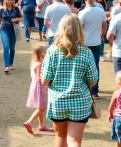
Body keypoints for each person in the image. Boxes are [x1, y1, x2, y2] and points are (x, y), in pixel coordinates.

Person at [41, 14, 98, 147]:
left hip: (58, 101)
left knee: (60, 137)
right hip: (80, 102)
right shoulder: (86, 52)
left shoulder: (52, 52)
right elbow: (93, 81)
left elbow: (44, 81)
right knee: (74, 141)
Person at [78, 0, 107, 98]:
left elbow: (79, 28)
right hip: (96, 42)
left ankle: (86, 89)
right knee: (95, 65)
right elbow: (104, 26)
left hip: (85, 43)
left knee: (83, 66)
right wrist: (101, 36)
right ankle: (94, 90)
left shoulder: (82, 13)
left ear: (85, 0)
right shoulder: (101, 12)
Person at [24, 45, 53, 134]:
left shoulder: (34, 63)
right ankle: (29, 122)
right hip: (39, 87)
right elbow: (39, 78)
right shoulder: (39, 64)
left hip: (34, 86)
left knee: (40, 106)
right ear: (41, 54)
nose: (46, 54)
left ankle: (41, 125)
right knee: (42, 108)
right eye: (45, 52)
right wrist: (49, 79)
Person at [0, 0, 22, 73]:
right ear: (6, 1)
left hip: (13, 30)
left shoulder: (16, 9)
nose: (10, 1)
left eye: (11, 0)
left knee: (12, 48)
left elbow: (21, 18)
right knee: (6, 47)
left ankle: (11, 63)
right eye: (8, 0)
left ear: (13, 1)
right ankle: (6, 65)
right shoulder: (2, 10)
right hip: (4, 29)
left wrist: (16, 19)